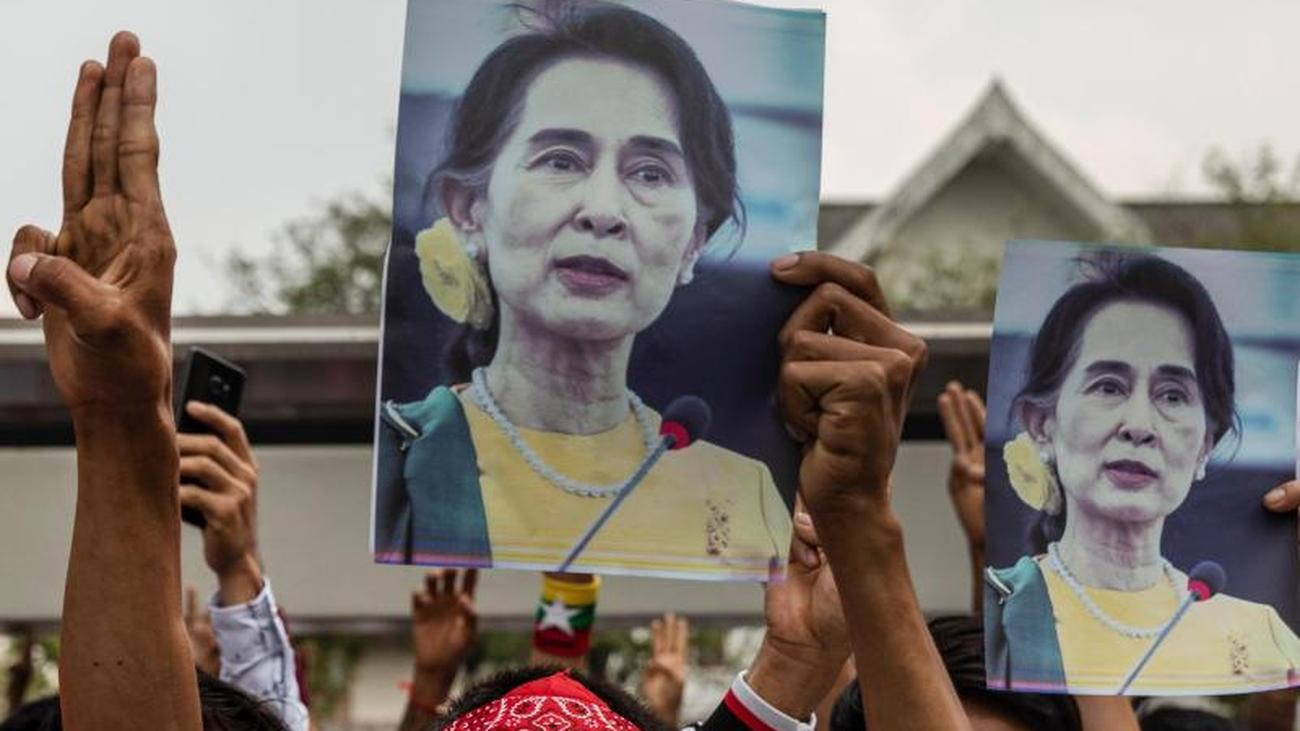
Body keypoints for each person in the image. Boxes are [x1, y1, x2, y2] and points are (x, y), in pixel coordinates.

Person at [372, 0, 791, 580]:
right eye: (561, 161)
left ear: (694, 242)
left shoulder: (748, 499)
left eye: (650, 173)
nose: (603, 211)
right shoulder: (396, 459)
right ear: (468, 209)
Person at [984, 252, 1300, 694]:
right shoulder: (996, 612)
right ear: (1041, 425)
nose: (1139, 426)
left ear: (1205, 446)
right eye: (1108, 387)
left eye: (1172, 395)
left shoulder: (1263, 636)